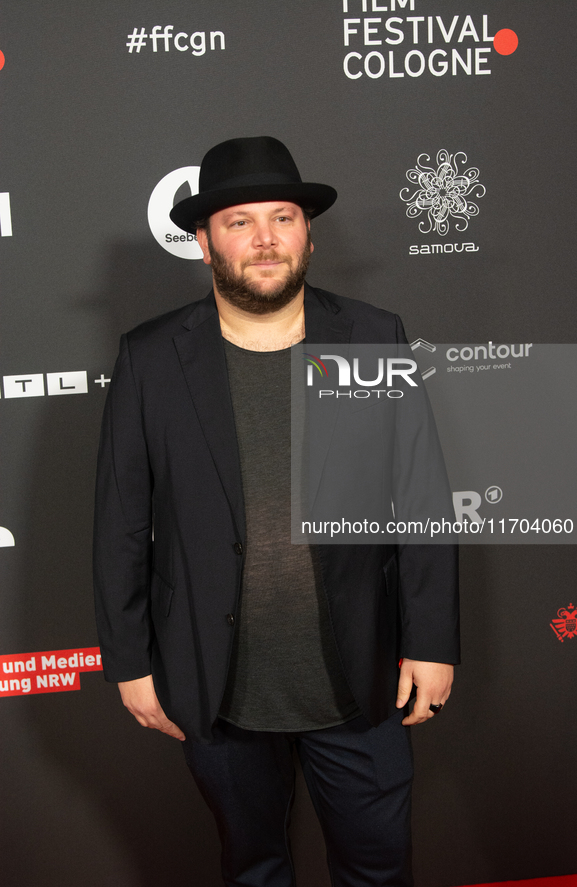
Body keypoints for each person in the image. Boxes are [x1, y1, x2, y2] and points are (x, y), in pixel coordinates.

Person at [93, 136, 459, 887]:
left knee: (378, 868)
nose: (264, 237)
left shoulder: (369, 335)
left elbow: (421, 495)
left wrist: (432, 639)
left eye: (283, 216)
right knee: (252, 867)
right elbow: (121, 521)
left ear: (308, 233)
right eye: (238, 221)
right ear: (202, 242)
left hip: (358, 677)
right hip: (216, 682)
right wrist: (128, 661)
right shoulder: (151, 356)